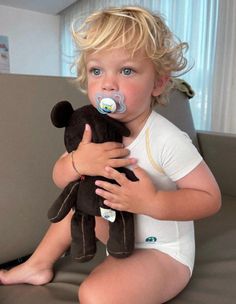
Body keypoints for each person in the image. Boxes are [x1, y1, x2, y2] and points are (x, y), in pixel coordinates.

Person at [0, 6, 221, 303]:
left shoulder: (167, 140)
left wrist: (152, 201)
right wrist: (78, 161)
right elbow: (59, 177)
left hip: (162, 251)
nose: (108, 83)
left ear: (157, 83)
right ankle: (37, 265)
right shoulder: (92, 128)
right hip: (114, 228)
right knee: (75, 203)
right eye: (96, 70)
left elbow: (209, 198)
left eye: (126, 70)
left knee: (95, 294)